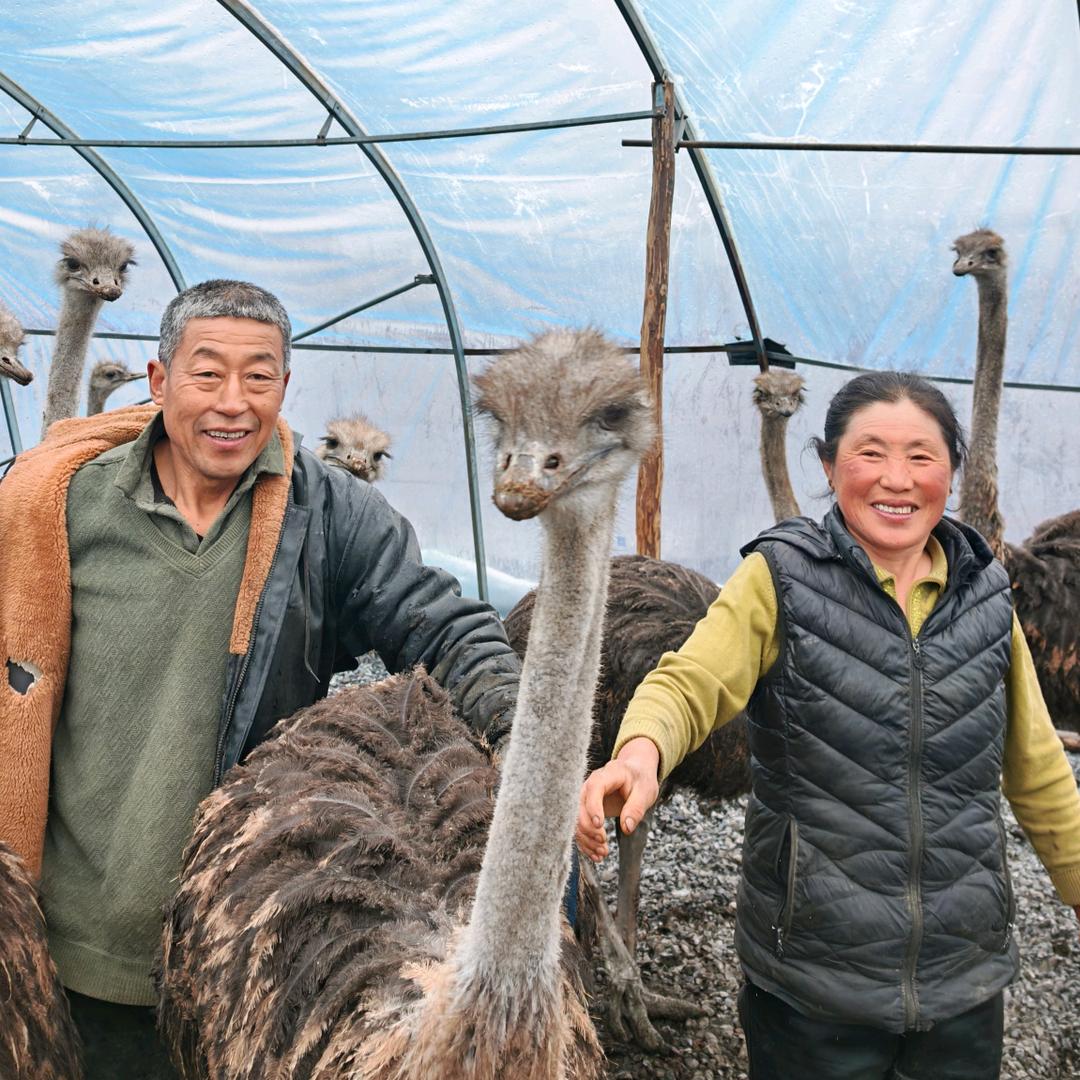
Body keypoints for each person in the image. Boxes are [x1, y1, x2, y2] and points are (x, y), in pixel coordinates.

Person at [0, 280, 520, 1077]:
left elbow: (442, 623)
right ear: (158, 380)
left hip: (240, 948)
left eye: (260, 377)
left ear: (285, 386)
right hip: (69, 946)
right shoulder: (60, 502)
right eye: (207, 375)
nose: (233, 403)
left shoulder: (329, 515)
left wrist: (525, 738)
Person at [577, 371, 1080, 1080]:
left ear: (952, 472)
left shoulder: (987, 596)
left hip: (962, 980)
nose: (896, 479)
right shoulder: (780, 578)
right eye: (870, 453)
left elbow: (1036, 765)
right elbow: (691, 680)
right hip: (813, 984)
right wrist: (639, 753)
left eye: (922, 456)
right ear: (828, 466)